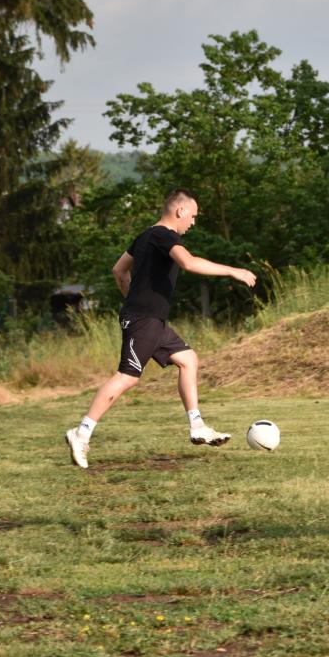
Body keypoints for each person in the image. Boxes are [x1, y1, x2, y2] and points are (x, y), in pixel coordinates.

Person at [63, 189, 256, 469]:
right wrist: (233, 271)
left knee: (188, 359)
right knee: (127, 377)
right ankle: (81, 433)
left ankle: (197, 426)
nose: (193, 222)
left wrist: (132, 298)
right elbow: (188, 263)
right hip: (144, 320)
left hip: (152, 320)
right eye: (193, 216)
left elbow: (119, 270)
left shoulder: (145, 236)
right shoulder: (164, 235)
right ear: (180, 211)